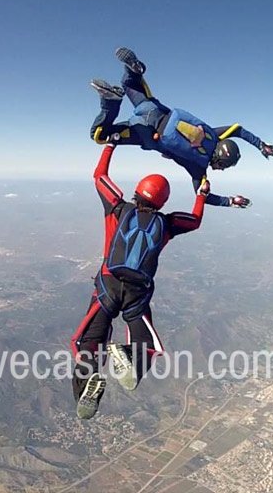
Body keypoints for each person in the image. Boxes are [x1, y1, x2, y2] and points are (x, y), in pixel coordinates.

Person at [70, 138, 209, 419]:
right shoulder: (166, 224)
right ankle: (130, 360)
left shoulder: (117, 208)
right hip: (137, 294)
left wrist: (110, 146)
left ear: (138, 190)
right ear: (162, 200)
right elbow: (194, 221)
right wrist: (201, 194)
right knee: (147, 346)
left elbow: (99, 176)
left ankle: (87, 383)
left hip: (107, 284)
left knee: (90, 341)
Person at [88, 47, 273, 208]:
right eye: (222, 166)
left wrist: (261, 145)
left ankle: (134, 71)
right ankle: (110, 102)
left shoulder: (215, 135)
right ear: (219, 159)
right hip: (145, 132)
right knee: (99, 135)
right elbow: (203, 196)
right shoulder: (198, 167)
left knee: (129, 82)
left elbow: (238, 129)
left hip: (154, 109)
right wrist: (230, 201)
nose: (220, 170)